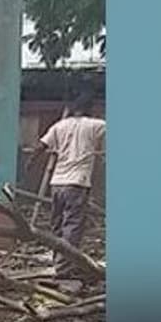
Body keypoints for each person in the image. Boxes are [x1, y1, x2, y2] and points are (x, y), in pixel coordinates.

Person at [35, 95, 105, 281]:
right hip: (77, 182)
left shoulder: (59, 125)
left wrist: (31, 163)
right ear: (89, 108)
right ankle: (64, 268)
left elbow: (41, 145)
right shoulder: (95, 125)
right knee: (73, 226)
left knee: (57, 224)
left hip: (57, 182)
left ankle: (59, 260)